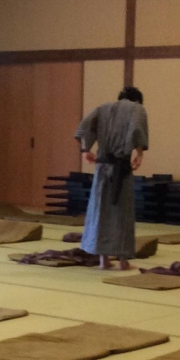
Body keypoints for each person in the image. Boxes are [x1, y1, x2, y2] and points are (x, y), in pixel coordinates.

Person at [74, 86, 149, 271]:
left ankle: (103, 260)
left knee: (101, 210)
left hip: (102, 167)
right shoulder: (136, 108)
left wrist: (85, 150)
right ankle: (123, 261)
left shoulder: (103, 108)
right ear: (137, 99)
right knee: (122, 212)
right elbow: (137, 129)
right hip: (121, 167)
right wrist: (139, 154)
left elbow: (84, 126)